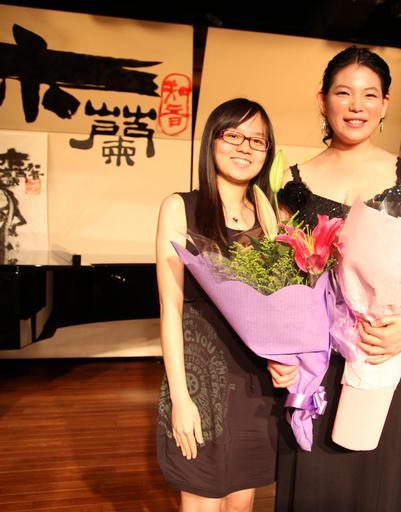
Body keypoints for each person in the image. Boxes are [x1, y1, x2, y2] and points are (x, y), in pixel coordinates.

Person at [271, 46, 401, 512]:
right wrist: (280, 350)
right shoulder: (293, 179)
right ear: (322, 100)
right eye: (343, 93)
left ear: (385, 104)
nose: (356, 105)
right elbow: (278, 276)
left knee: (377, 480)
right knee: (313, 477)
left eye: (369, 95)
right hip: (315, 356)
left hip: (383, 347)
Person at [155, 98, 280, 512]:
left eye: (257, 140)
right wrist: (180, 397)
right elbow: (170, 307)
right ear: (212, 140)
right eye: (233, 135)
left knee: (241, 502)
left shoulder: (268, 213)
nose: (245, 147)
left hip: (255, 381)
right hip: (201, 381)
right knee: (203, 500)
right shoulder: (181, 207)